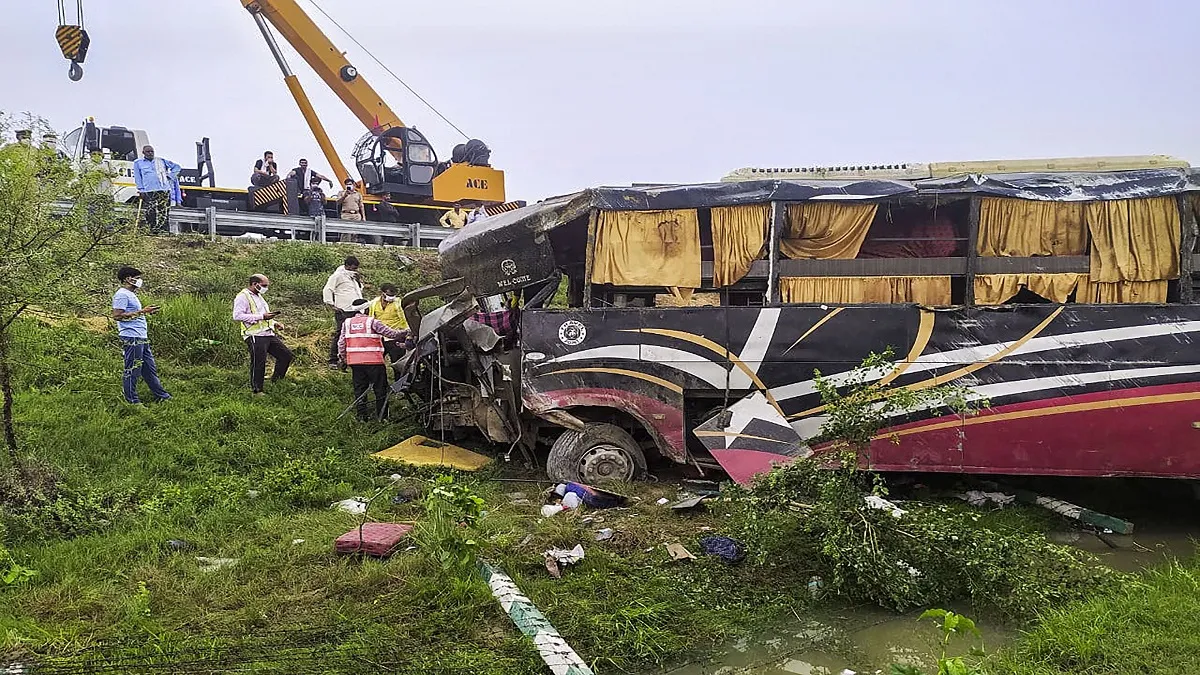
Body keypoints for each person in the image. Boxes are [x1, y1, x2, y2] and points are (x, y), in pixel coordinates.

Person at [338, 298, 408, 421]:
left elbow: (341, 344)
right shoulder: (373, 322)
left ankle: (362, 417)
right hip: (374, 362)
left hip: (355, 363)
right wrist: (408, 331)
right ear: (366, 309)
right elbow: (391, 334)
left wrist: (343, 359)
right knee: (380, 389)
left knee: (360, 389)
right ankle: (382, 417)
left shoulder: (347, 323)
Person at [111, 266, 171, 405]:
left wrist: (145, 312)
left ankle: (162, 396)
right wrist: (143, 311)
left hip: (141, 336)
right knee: (133, 369)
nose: (139, 281)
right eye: (137, 278)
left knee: (149, 369)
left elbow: (133, 313)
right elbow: (117, 316)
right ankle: (132, 401)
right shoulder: (122, 294)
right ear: (128, 279)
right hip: (131, 337)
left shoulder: (132, 294)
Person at [232, 274, 294, 395]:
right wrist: (261, 317)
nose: (266, 288)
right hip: (254, 334)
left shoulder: (259, 296)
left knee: (286, 355)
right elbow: (237, 316)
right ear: (255, 284)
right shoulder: (242, 297)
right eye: (264, 285)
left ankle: (277, 380)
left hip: (267, 333)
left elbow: (263, 314)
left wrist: (275, 323)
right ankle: (257, 390)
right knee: (258, 362)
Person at [322, 256, 364, 368]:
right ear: (347, 266)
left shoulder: (353, 277)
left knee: (354, 334)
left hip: (355, 309)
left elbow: (358, 290)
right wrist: (331, 304)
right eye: (353, 268)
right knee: (340, 333)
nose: (354, 270)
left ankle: (348, 359)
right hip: (343, 309)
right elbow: (328, 289)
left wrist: (359, 280)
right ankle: (333, 359)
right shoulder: (338, 275)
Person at [132, 145, 181, 234]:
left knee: (164, 211)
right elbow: (138, 177)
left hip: (164, 189)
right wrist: (141, 189)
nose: (150, 153)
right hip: (148, 190)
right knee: (150, 211)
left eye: (152, 151)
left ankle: (164, 230)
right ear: (143, 153)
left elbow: (177, 167)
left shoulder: (160, 161)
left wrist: (170, 176)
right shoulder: (138, 163)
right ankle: (152, 230)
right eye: (148, 152)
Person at [367, 283, 409, 362]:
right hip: (380, 338)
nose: (391, 297)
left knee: (397, 361)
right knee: (376, 361)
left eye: (393, 295)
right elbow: (371, 318)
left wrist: (406, 333)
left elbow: (404, 319)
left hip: (396, 337)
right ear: (382, 293)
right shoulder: (374, 303)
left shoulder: (398, 303)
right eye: (389, 295)